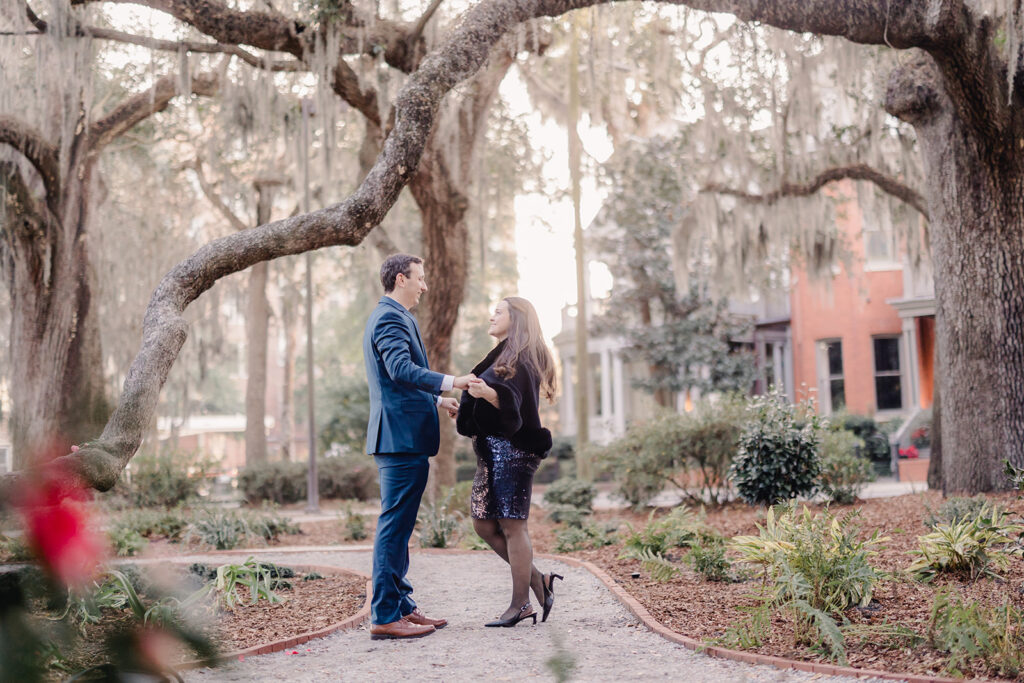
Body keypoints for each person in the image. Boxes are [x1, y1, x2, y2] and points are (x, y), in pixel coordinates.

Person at [363, 253, 474, 640]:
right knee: (393, 528)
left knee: (401, 526)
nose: (425, 286)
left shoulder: (396, 316)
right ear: (400, 279)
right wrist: (452, 381)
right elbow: (400, 370)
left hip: (405, 435)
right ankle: (384, 616)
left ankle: (402, 606)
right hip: (399, 439)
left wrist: (437, 401)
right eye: (419, 279)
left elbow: (398, 384)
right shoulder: (390, 317)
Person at [456, 296, 563, 627]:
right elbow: (488, 406)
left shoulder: (524, 358)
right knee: (483, 525)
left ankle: (521, 605)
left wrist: (488, 394)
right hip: (490, 451)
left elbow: (515, 405)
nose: (492, 316)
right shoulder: (500, 355)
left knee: (514, 525)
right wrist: (462, 408)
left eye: (499, 312)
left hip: (514, 450)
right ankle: (539, 582)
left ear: (515, 319)